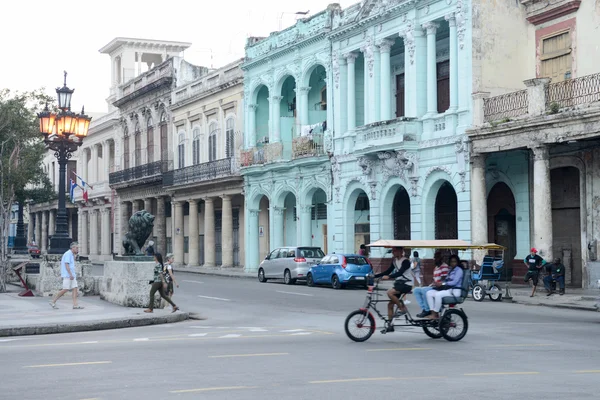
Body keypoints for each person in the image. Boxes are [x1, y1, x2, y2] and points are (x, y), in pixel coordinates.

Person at [374, 247, 413, 332]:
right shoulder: (395, 261)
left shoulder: (405, 261)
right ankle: (390, 326)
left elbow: (400, 272)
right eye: (392, 251)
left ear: (400, 251)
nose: (393, 252)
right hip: (399, 284)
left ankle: (402, 309)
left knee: (390, 293)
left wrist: (389, 277)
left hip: (407, 284)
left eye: (395, 251)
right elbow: (387, 271)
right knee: (390, 305)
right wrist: (375, 276)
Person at [425, 255, 464, 320]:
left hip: (454, 291)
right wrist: (438, 283)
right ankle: (433, 313)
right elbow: (446, 279)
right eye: (451, 262)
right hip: (448, 289)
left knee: (438, 295)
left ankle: (435, 313)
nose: (453, 263)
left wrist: (443, 283)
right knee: (429, 293)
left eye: (454, 262)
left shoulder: (459, 270)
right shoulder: (450, 269)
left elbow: (454, 282)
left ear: (457, 262)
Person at [413, 252, 449, 318]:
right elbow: (434, 279)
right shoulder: (436, 267)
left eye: (436, 257)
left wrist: (437, 283)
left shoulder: (444, 266)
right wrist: (431, 284)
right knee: (416, 290)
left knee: (424, 290)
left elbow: (444, 280)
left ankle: (427, 310)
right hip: (433, 286)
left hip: (440, 287)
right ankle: (424, 308)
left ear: (441, 258)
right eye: (434, 257)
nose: (435, 259)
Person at [49, 242, 83, 310]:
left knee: (75, 288)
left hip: (72, 275)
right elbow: (66, 265)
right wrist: (70, 274)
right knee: (65, 289)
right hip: (68, 275)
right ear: (72, 248)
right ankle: (53, 301)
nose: (77, 249)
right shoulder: (68, 254)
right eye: (76, 248)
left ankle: (75, 304)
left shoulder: (71, 254)